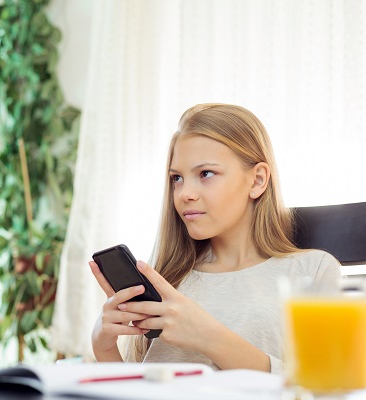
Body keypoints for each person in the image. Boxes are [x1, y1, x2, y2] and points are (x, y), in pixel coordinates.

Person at [89, 103, 340, 374]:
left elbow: (327, 385)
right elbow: (137, 391)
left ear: (257, 180)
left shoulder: (313, 271)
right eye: (177, 178)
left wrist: (208, 336)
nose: (185, 193)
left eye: (206, 173)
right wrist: (103, 347)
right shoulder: (168, 277)